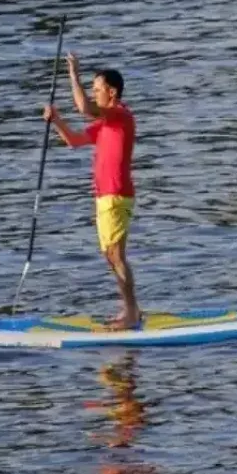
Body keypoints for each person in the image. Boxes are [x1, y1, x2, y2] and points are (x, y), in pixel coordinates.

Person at [43, 53, 140, 330]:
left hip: (116, 194)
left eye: (97, 89)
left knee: (116, 255)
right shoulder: (104, 123)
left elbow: (84, 107)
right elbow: (74, 140)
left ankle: (131, 313)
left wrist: (73, 75)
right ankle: (132, 310)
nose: (94, 94)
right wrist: (57, 121)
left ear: (111, 92)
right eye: (93, 89)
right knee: (110, 255)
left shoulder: (120, 114)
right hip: (104, 196)